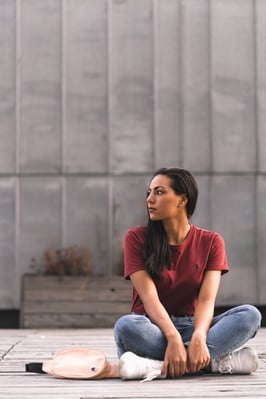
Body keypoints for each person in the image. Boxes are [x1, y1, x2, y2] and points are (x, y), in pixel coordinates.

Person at [114, 167, 262, 382]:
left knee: (250, 315)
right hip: (152, 327)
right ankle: (211, 363)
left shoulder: (211, 242)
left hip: (195, 326)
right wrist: (173, 338)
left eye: (159, 192)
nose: (149, 199)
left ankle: (157, 364)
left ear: (182, 200)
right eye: (149, 192)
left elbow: (206, 300)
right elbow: (149, 299)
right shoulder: (136, 238)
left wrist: (199, 337)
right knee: (126, 326)